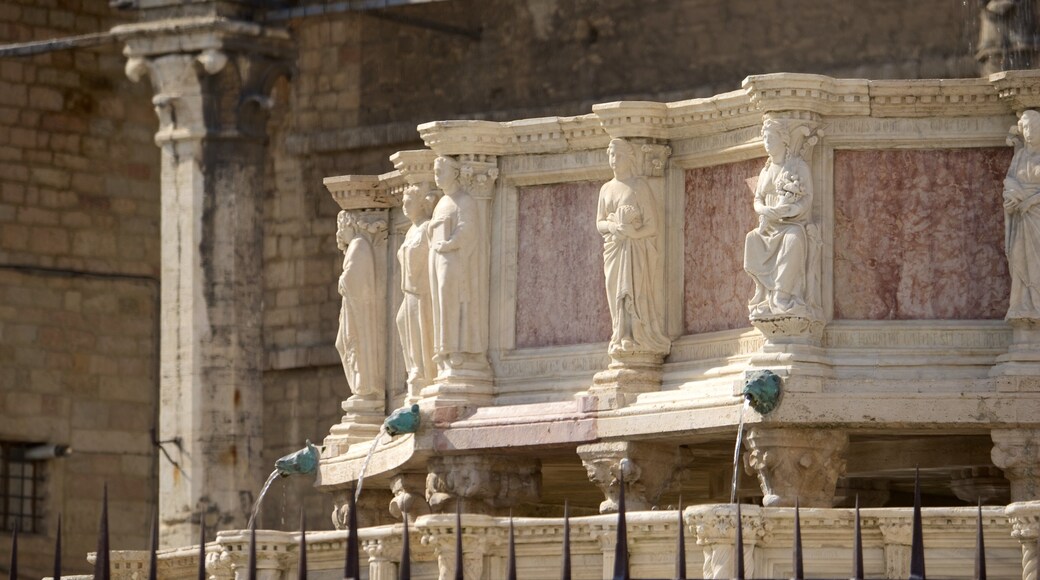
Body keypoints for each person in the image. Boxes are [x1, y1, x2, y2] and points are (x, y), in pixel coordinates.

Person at [596, 138, 669, 358]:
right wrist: (613, 227)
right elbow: (599, 223)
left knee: (632, 293)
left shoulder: (639, 186)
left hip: (635, 251)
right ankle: (620, 334)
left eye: (618, 156)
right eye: (611, 155)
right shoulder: (606, 189)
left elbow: (653, 225)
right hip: (615, 248)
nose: (614, 161)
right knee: (614, 294)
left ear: (630, 159)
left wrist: (633, 233)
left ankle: (635, 334)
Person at [743, 119, 815, 320]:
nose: (766, 142)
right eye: (764, 138)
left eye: (770, 138)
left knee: (793, 240)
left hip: (791, 224)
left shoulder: (797, 166)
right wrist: (764, 210)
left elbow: (807, 198)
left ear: (783, 140)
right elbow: (757, 198)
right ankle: (764, 292)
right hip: (769, 225)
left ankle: (782, 296)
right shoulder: (766, 171)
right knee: (752, 238)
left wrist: (790, 210)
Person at [428, 156, 485, 372]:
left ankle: (457, 349)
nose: (436, 176)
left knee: (452, 299)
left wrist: (451, 243)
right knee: (442, 301)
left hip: (456, 261)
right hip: (440, 259)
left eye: (440, 171)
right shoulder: (442, 202)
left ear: (454, 173)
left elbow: (468, 228)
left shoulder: (464, 200)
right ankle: (444, 348)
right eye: (435, 171)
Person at [334, 211, 381, 398]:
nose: (339, 234)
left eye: (342, 229)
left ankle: (363, 385)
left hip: (357, 307)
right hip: (351, 305)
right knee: (342, 343)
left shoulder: (359, 244)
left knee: (352, 341)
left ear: (351, 226)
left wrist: (342, 280)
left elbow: (353, 276)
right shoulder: (356, 245)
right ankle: (359, 385)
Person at [396, 185, 437, 394]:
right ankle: (415, 369)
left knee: (421, 327)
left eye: (409, 201)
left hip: (422, 291)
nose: (404, 206)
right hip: (410, 289)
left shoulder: (427, 228)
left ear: (422, 204)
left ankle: (425, 374)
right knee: (402, 321)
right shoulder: (411, 230)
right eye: (403, 202)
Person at [1003, 109, 1040, 319]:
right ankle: (1022, 307)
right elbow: (1009, 181)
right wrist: (1012, 198)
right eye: (1025, 128)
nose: (1029, 132)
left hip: (1036, 215)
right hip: (1022, 219)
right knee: (1019, 258)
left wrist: (1031, 201)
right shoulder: (1019, 157)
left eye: (1033, 128)